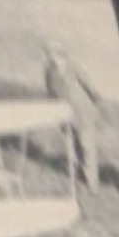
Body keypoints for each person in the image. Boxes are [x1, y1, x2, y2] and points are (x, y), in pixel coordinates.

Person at [43, 42, 103, 192]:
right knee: (72, 147)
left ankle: (92, 183)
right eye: (49, 55)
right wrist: (54, 110)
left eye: (53, 55)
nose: (51, 58)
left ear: (62, 55)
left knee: (87, 147)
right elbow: (50, 91)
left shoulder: (75, 68)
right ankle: (76, 176)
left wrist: (95, 103)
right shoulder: (49, 71)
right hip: (65, 114)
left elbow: (90, 87)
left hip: (83, 113)